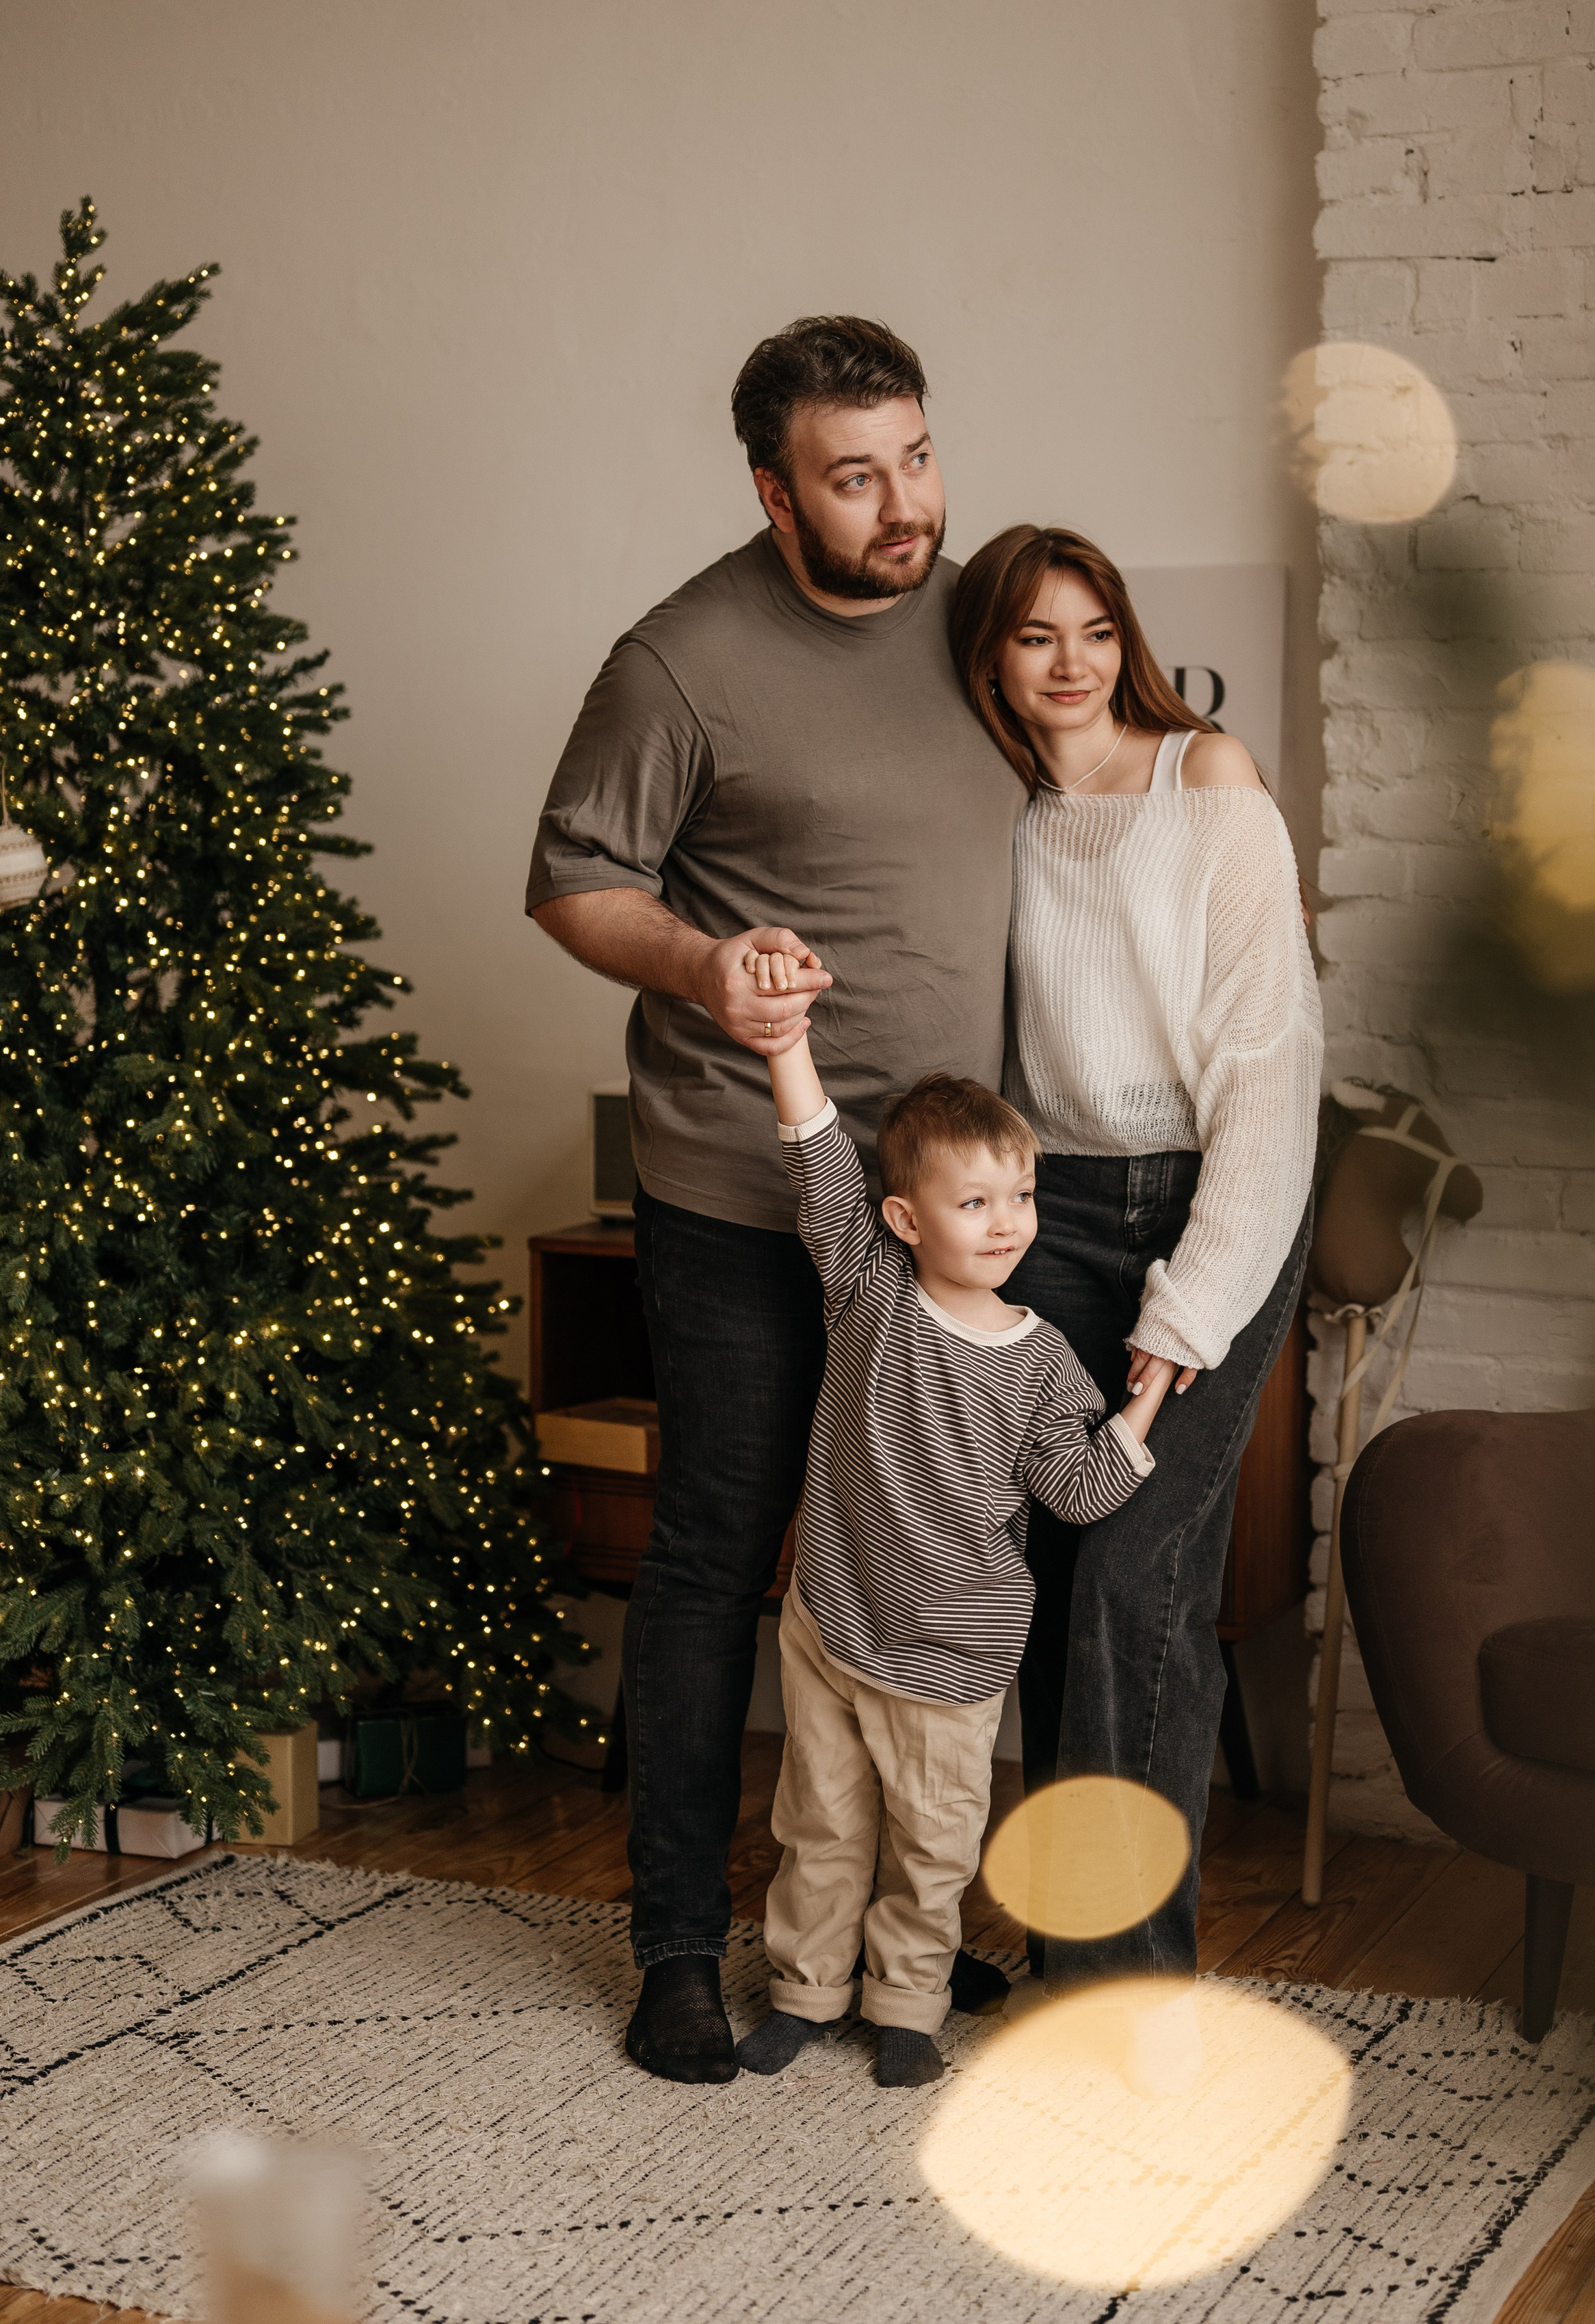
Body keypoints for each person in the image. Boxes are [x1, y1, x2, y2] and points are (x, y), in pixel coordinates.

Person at [525, 317, 1028, 2084]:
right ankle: (676, 1945)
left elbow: (1118, 753)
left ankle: (903, 1933)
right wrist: (697, 963)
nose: (903, 504)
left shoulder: (982, 618)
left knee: (925, 1568)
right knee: (721, 1552)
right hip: (745, 1195)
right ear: (770, 487)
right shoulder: (681, 660)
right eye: (853, 474)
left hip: (945, 1223)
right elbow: (572, 882)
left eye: (915, 456)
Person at [948, 525, 1321, 2037]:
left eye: (1095, 628)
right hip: (1052, 1219)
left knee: (1132, 1586)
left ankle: (1128, 1994)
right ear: (990, 660)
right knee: (1049, 1588)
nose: (1074, 662)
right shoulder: (1005, 815)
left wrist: (1184, 1315)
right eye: (1036, 636)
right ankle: (1070, 1940)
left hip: (1210, 1201)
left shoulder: (1205, 779)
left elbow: (1267, 1067)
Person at [729, 964, 1172, 2087]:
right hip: (833, 1622)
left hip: (955, 1656)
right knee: (819, 1829)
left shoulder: (1042, 1358)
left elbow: (1077, 1488)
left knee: (929, 1850)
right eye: (975, 1203)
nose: (1006, 1223)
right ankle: (804, 1991)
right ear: (903, 1219)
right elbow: (817, 1155)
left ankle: (910, 2007)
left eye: (1018, 1197)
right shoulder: (865, 1287)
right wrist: (784, 1040)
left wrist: (1149, 1395)